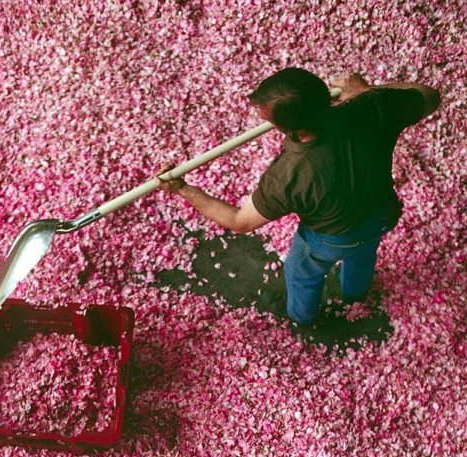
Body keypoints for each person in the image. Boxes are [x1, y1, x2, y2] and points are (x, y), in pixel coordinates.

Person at [155, 68, 441, 329]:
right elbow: (429, 95)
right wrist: (369, 91)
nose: (261, 119)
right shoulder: (372, 108)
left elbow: (239, 222)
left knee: (302, 272)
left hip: (333, 238)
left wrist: (183, 189)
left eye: (267, 117)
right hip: (382, 214)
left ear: (288, 129)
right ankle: (355, 292)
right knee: (364, 250)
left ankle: (302, 318)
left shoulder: (289, 175)